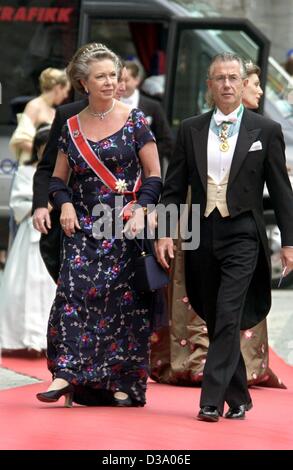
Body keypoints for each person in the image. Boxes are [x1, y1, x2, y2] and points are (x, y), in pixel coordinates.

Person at [156, 52, 293, 422]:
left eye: (234, 78)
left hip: (244, 234)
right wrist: (167, 231)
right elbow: (173, 187)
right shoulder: (190, 128)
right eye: (220, 78)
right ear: (210, 86)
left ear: (242, 81)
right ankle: (240, 396)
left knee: (229, 312)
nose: (228, 84)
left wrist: (290, 243)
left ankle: (210, 399)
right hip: (201, 233)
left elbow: (282, 192)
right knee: (214, 315)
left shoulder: (265, 130)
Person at [35, 43, 161, 408]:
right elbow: (57, 180)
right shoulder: (71, 126)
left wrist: (142, 207)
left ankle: (123, 382)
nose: (110, 82)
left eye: (113, 75)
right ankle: (66, 374)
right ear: (83, 83)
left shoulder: (135, 120)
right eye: (101, 76)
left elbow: (154, 174)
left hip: (124, 228)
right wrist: (64, 205)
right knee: (72, 295)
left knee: (123, 305)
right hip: (84, 226)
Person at [0, 125, 56, 355]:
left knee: (48, 284)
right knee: (25, 284)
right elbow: (18, 203)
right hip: (29, 231)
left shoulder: (62, 170)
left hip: (55, 229)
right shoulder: (25, 171)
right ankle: (21, 336)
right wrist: (41, 205)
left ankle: (45, 338)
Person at [121, 60, 173, 173]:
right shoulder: (108, 103)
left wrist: (146, 154)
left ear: (137, 80)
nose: (122, 85)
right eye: (119, 80)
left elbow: (166, 140)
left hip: (145, 171)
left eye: (126, 80)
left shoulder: (153, 106)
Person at [9, 68, 70, 164]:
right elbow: (21, 139)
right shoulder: (34, 105)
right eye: (65, 91)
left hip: (45, 166)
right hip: (32, 167)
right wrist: (47, 155)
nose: (66, 95)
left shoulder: (54, 111)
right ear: (58, 88)